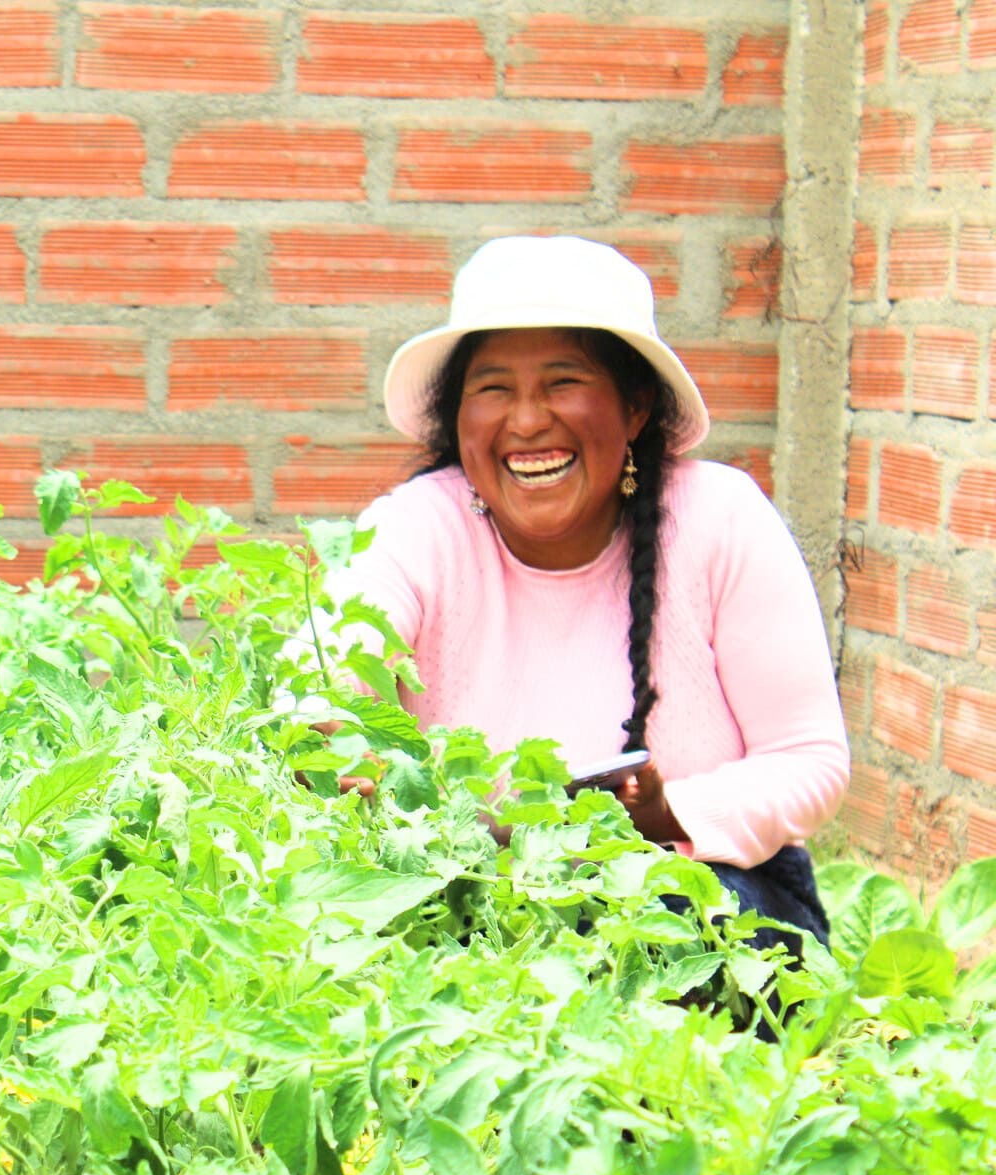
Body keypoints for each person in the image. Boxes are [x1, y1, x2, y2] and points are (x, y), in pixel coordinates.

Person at [312, 234, 849, 945]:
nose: (528, 420)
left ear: (634, 409)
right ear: (458, 418)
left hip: (701, 889)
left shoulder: (720, 519)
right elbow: (320, 681)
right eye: (493, 388)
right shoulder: (416, 527)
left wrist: (666, 816)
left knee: (663, 924)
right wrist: (338, 747)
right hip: (471, 894)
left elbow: (809, 760)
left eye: (564, 381)